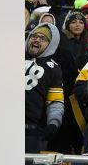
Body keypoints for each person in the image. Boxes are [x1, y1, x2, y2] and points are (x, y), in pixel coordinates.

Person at [24, 22, 65, 153]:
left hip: (30, 131)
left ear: (51, 44)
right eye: (34, 36)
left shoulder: (54, 68)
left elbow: (55, 101)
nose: (37, 39)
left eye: (43, 38)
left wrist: (53, 123)